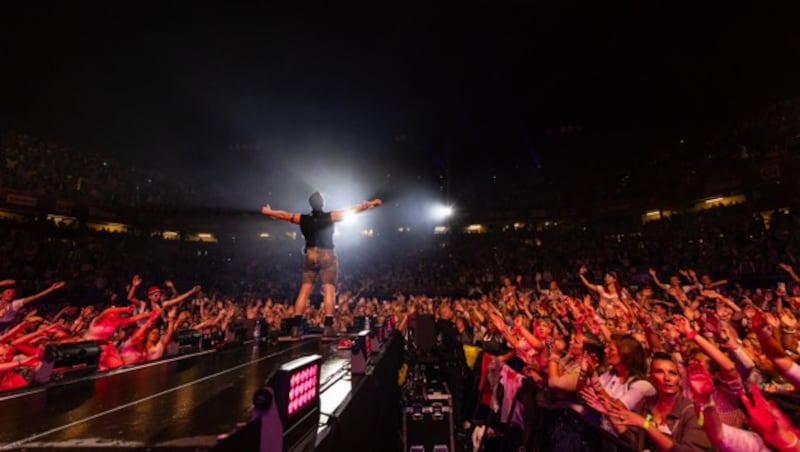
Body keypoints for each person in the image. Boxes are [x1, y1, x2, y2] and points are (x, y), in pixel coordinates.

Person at [261, 192, 382, 338]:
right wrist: (367, 205)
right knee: (329, 289)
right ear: (322, 204)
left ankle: (295, 328)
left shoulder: (303, 218)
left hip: (310, 254)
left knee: (304, 290)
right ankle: (328, 327)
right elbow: (350, 211)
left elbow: (284, 215)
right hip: (327, 254)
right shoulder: (329, 216)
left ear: (310, 204)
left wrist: (269, 212)